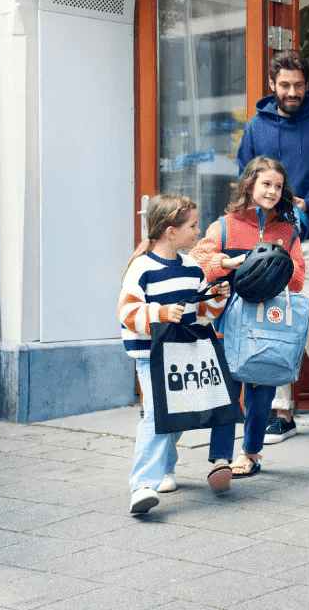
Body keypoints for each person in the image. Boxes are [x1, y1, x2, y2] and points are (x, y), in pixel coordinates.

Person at [236, 49, 309, 441]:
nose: (291, 91)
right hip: (270, 238)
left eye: (298, 85)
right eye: (284, 85)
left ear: (308, 85)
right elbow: (246, 178)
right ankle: (282, 410)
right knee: (275, 322)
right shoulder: (256, 127)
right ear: (272, 85)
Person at [191, 157, 307, 478]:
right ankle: (219, 460)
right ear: (249, 186)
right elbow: (198, 261)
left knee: (261, 392)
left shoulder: (287, 230)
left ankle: (251, 454)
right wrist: (225, 263)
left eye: (278, 186)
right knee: (226, 392)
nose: (271, 191)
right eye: (266, 184)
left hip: (268, 327)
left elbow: (298, 279)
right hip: (228, 325)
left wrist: (279, 264)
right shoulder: (224, 225)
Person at [119, 194, 230, 514]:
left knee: (176, 414)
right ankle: (141, 484)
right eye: (193, 225)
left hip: (183, 351)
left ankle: (166, 469)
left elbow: (202, 315)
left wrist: (217, 299)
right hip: (150, 353)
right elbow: (126, 313)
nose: (198, 231)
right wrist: (163, 313)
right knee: (157, 414)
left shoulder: (192, 267)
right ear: (170, 230)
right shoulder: (141, 268)